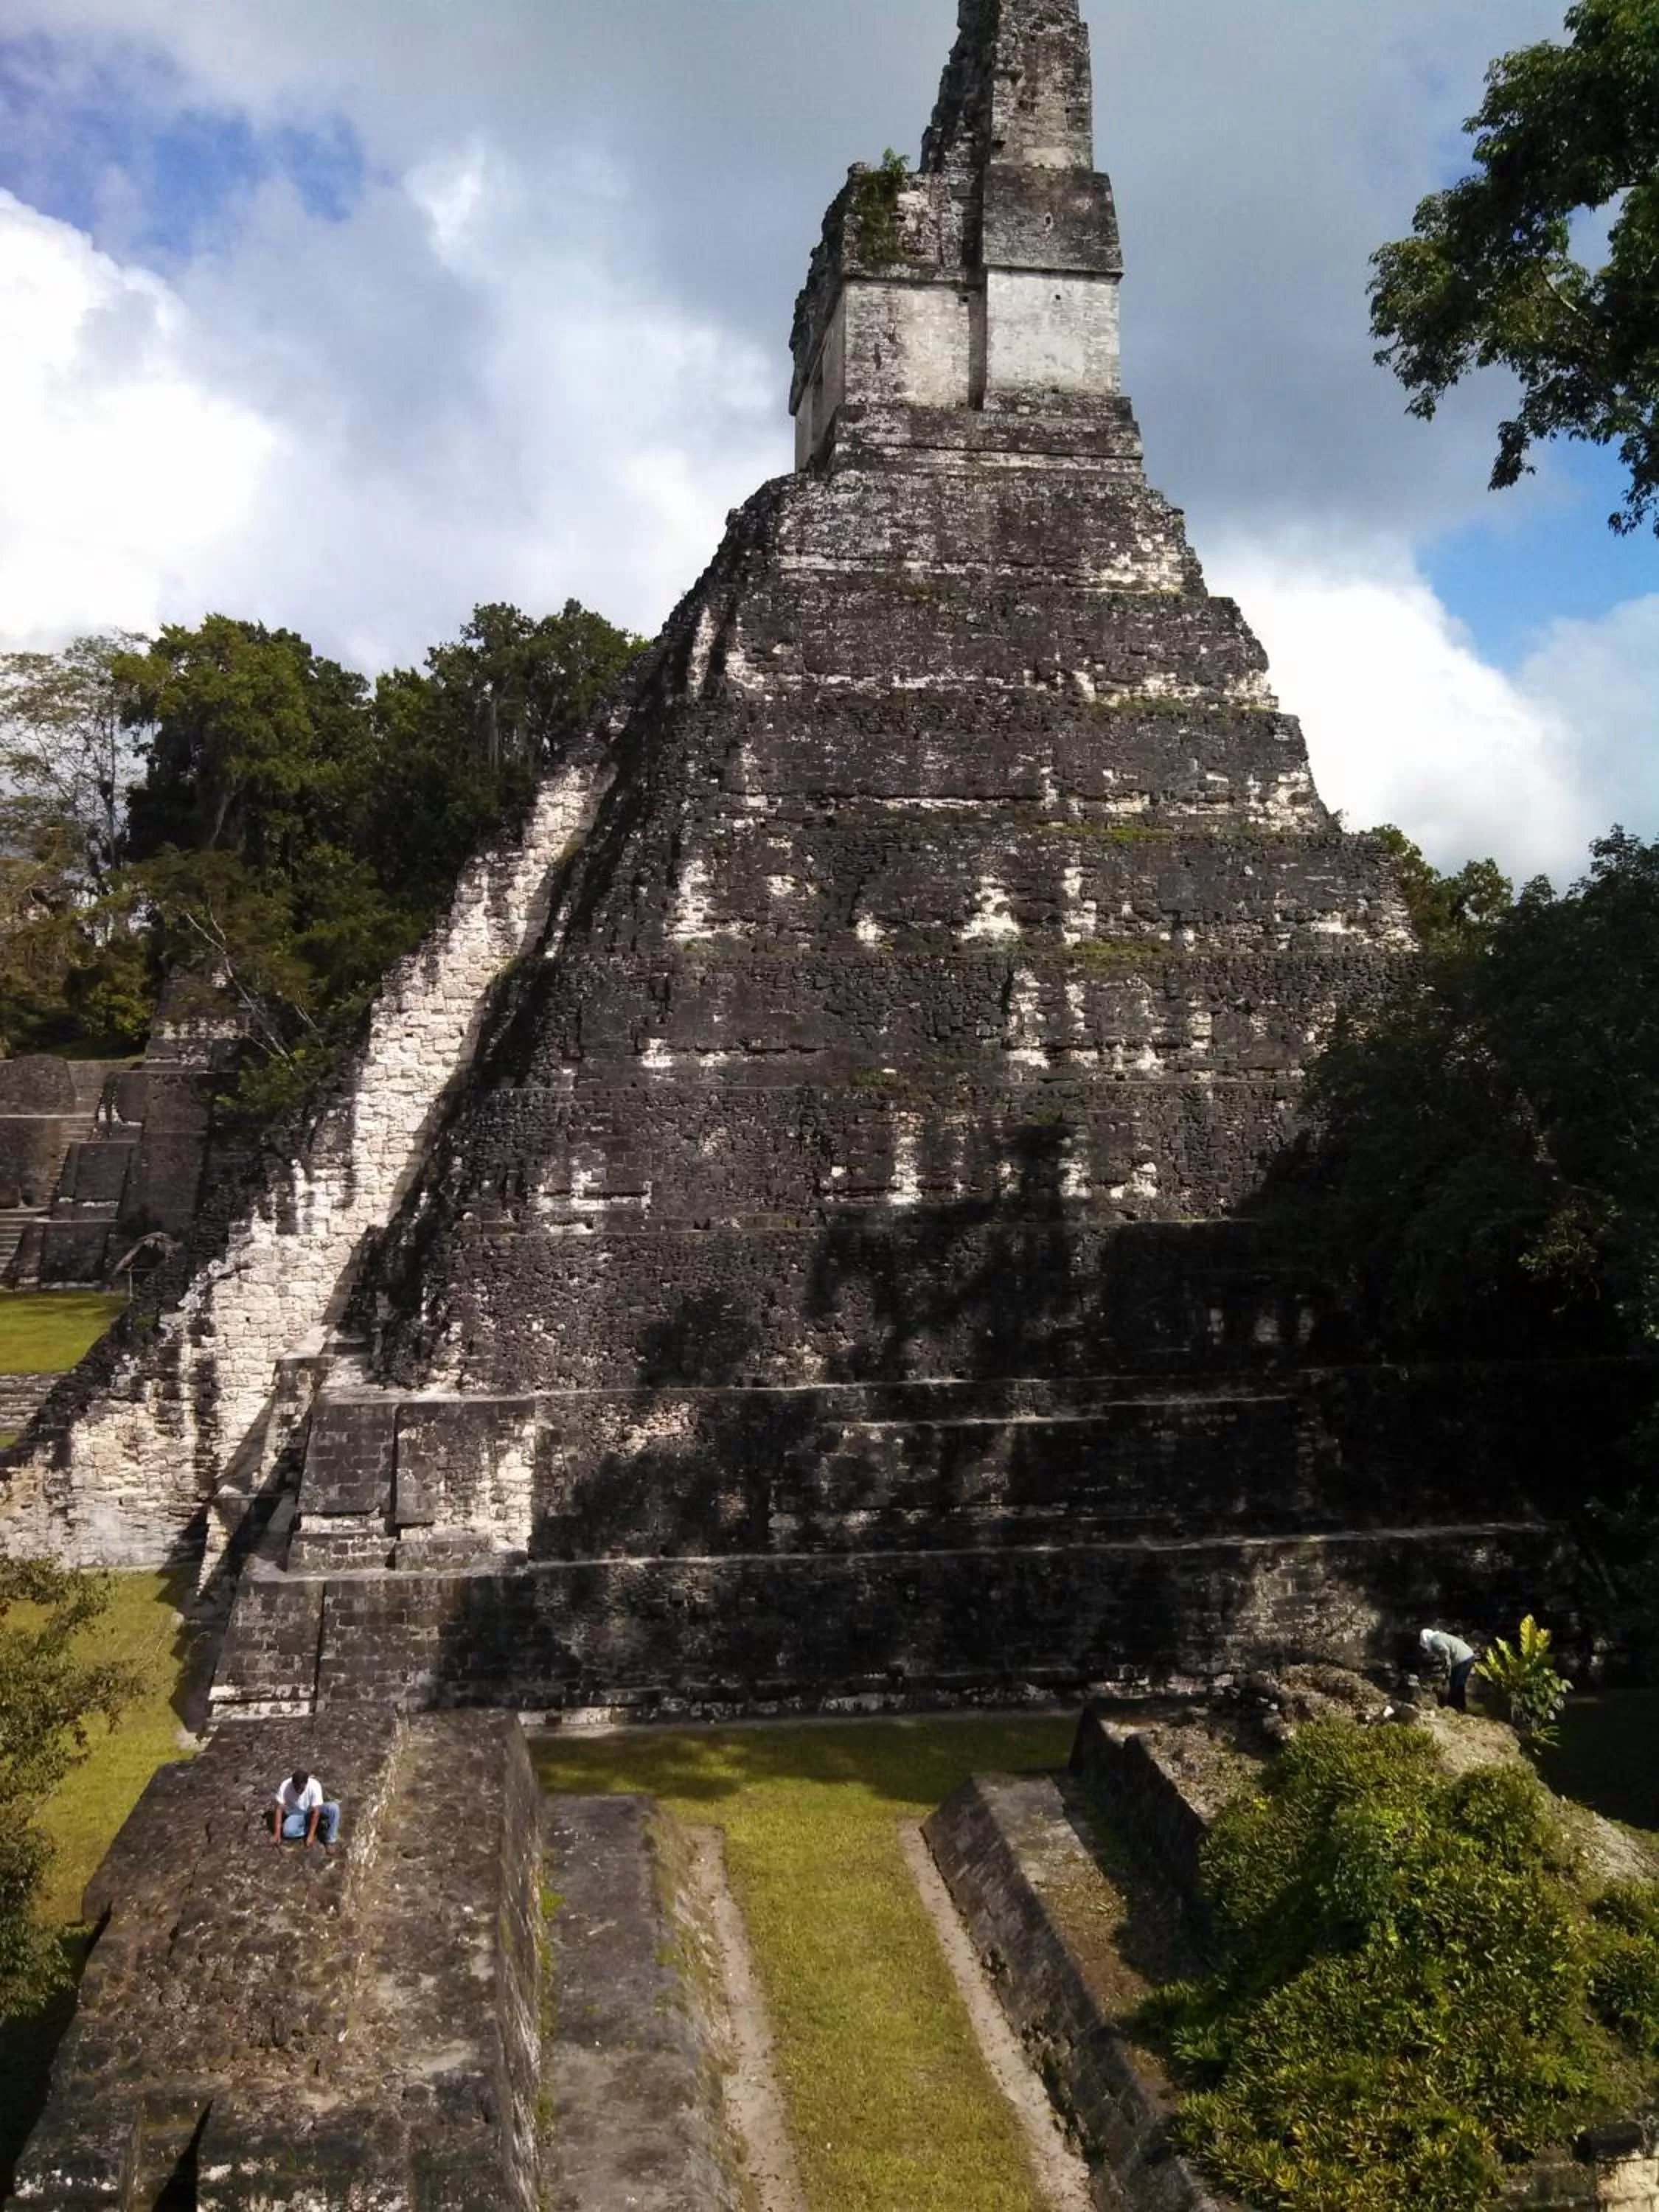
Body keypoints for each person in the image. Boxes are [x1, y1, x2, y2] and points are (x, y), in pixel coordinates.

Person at [269, 1768, 341, 1847]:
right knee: (287, 1831)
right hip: (297, 1813)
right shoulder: (285, 1786)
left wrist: (311, 1836)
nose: (299, 1791)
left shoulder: (314, 1786)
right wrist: (277, 1833)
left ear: (306, 1783)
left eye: (301, 1789)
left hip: (314, 1809)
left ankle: (330, 1840)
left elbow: (316, 1812)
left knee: (334, 1808)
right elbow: (279, 1808)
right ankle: (316, 1827)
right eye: (296, 1788)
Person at [1419, 1627, 1478, 1712]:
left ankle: (1459, 1708)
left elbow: (1445, 1653)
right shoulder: (1439, 1637)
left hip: (1462, 1659)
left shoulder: (1434, 1641)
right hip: (1466, 1656)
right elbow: (1445, 1657)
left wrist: (1447, 1670)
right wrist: (1446, 1669)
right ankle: (1454, 1706)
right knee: (1455, 1682)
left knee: (1457, 1683)